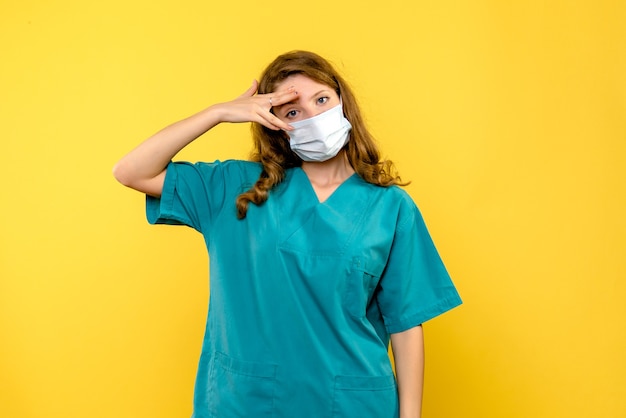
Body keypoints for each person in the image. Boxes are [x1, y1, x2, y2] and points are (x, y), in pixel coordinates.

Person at [113, 50, 462, 418]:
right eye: (292, 111)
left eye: (322, 100)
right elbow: (131, 171)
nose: (313, 116)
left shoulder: (390, 206)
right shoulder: (233, 188)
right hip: (248, 402)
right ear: (274, 123)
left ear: (343, 103)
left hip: (352, 403)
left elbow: (406, 324)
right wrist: (218, 113)